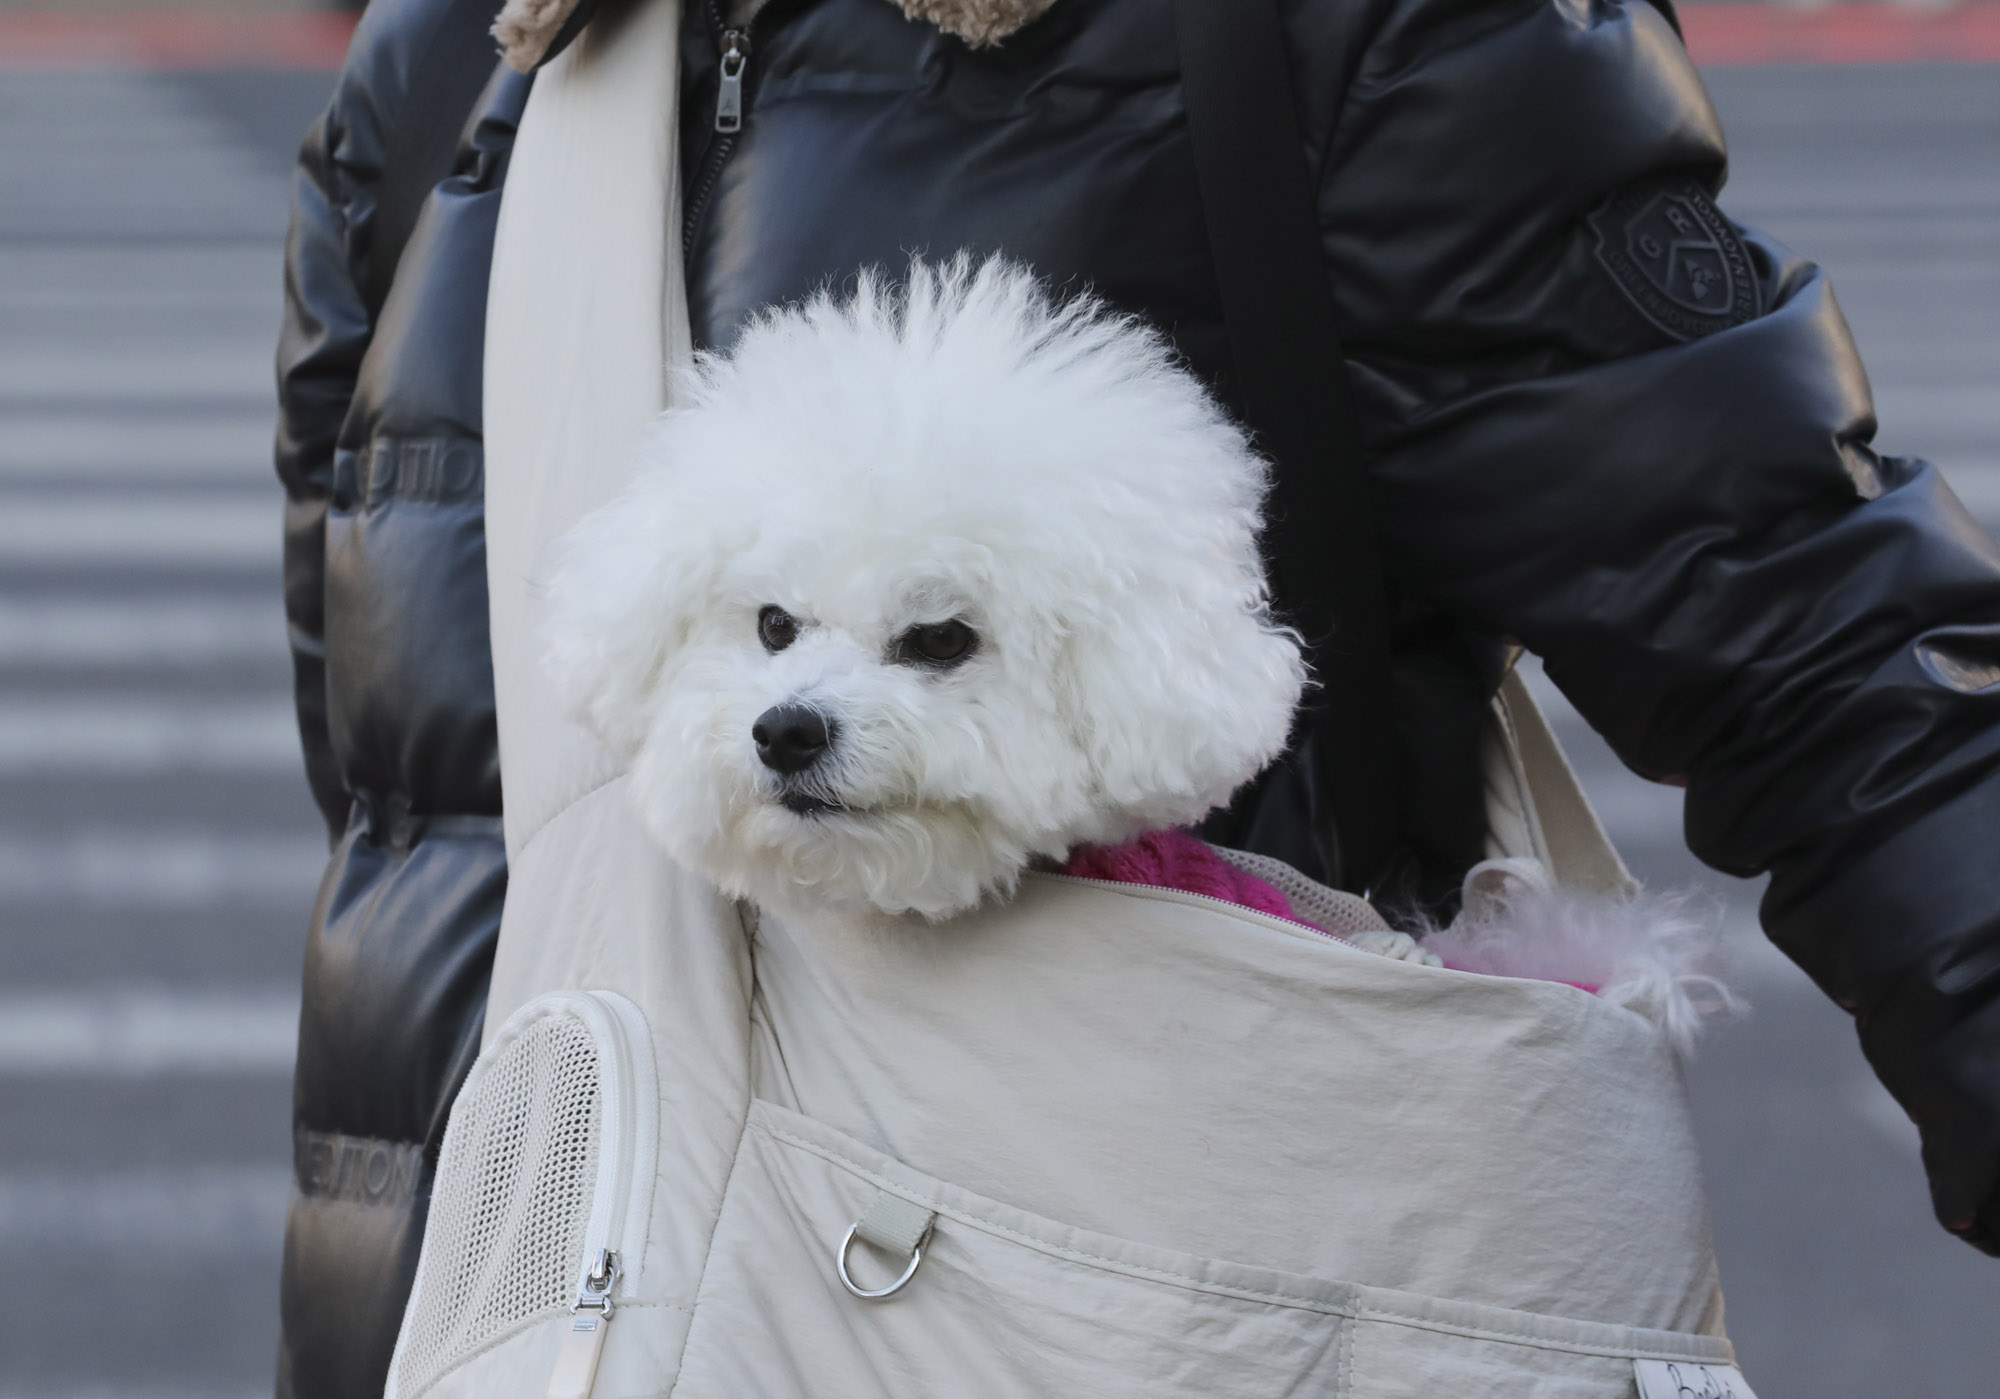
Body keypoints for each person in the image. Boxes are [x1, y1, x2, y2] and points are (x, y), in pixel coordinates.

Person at [272, 0, 2000, 1391]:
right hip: (482, 1304)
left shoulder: (1364, 34)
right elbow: (406, 776)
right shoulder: (453, 57)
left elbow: (1821, 634)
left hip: (1110, 1300)